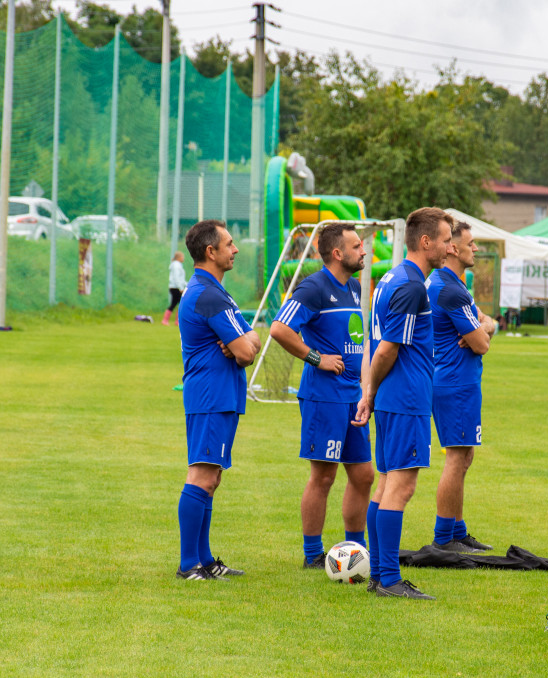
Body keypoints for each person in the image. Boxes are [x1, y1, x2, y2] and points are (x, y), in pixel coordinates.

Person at [357, 206, 453, 600]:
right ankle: (389, 579)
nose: (450, 247)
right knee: (402, 485)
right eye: (446, 240)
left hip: (396, 397)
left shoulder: (391, 278)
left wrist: (372, 392)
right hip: (406, 397)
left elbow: (374, 343)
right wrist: (370, 391)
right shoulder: (412, 285)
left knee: (385, 483)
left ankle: (380, 575)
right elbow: (386, 350)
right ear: (426, 241)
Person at [268, 223, 374, 569]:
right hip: (323, 397)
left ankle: (354, 552)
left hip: (353, 396)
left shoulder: (356, 288)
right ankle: (312, 554)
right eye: (357, 246)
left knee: (363, 475)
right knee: (324, 476)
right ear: (337, 253)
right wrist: (317, 358)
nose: (363, 251)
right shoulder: (313, 287)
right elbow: (279, 329)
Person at [175, 220, 261, 580]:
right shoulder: (207, 294)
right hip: (211, 396)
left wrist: (244, 341)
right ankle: (188, 565)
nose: (235, 249)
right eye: (229, 243)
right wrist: (243, 342)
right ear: (210, 252)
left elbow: (252, 337)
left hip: (220, 396)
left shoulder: (214, 291)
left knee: (212, 477)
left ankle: (205, 559)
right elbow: (246, 351)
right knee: (201, 475)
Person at [427, 220, 497, 554]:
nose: (475, 249)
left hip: (459, 380)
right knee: (456, 458)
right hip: (455, 382)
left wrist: (486, 325)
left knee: (464, 455)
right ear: (453, 247)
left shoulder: (452, 284)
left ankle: (457, 530)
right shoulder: (450, 289)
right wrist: (484, 329)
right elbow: (481, 344)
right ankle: (444, 538)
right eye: (471, 243)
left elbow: (485, 326)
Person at [163, 251, 187, 326]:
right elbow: (177, 278)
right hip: (176, 287)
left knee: (179, 304)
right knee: (176, 304)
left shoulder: (177, 265)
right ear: (179, 257)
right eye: (182, 256)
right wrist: (180, 288)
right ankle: (166, 320)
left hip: (175, 287)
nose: (183, 258)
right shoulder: (176, 265)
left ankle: (177, 321)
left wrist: (187, 284)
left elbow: (181, 279)